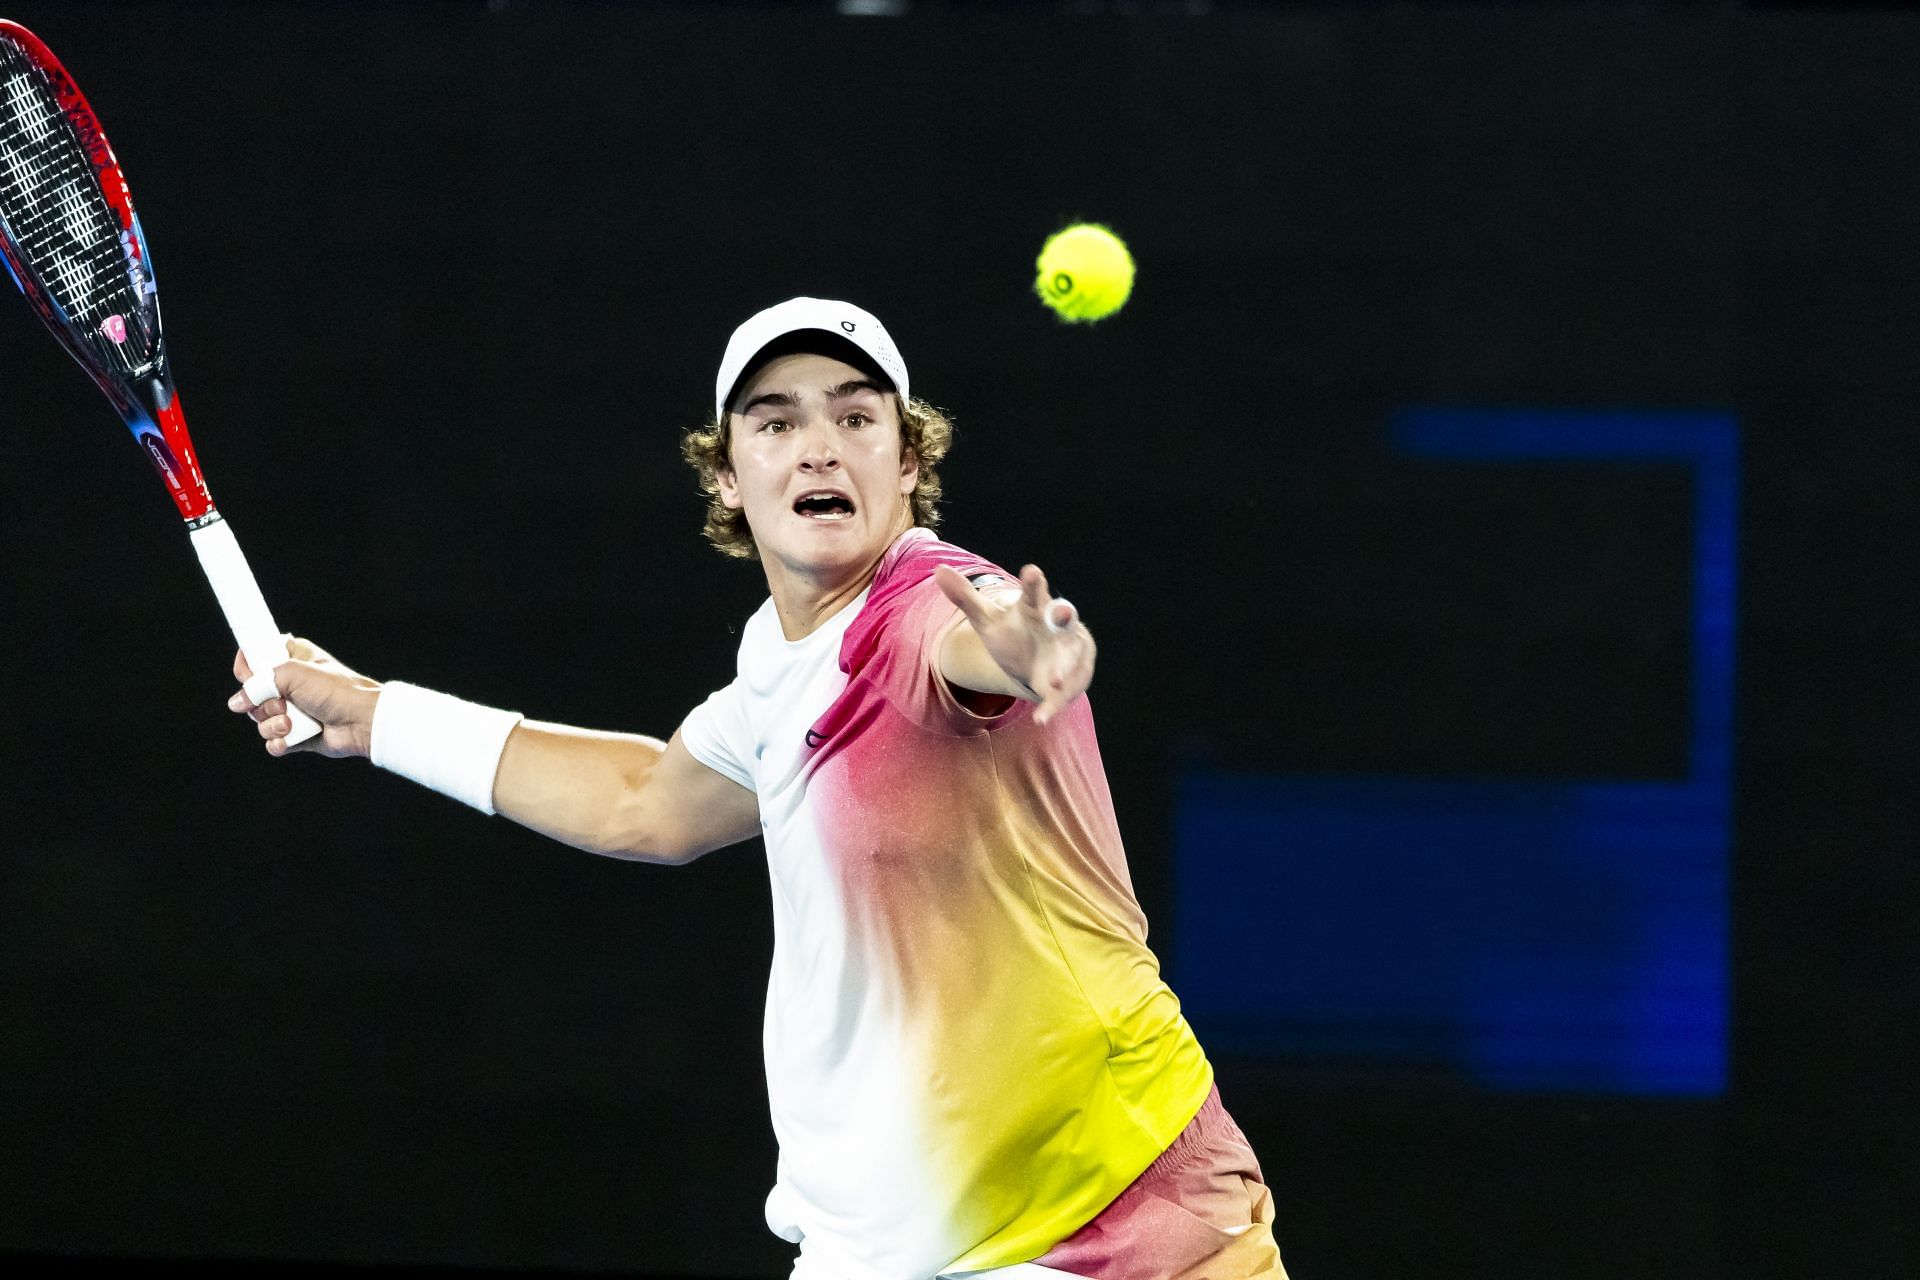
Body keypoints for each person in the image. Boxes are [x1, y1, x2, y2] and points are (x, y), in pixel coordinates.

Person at [229, 298, 1288, 1280]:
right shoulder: (777, 668)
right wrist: (377, 718)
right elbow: (646, 799)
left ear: (909, 459)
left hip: (1114, 1218)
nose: (819, 443)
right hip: (881, 1244)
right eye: (775, 422)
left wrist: (1029, 647)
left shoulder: (924, 608)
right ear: (727, 475)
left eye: (857, 416)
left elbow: (978, 643)